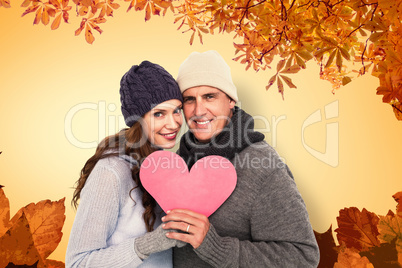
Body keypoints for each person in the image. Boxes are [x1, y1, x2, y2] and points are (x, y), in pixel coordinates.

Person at [161, 51, 320, 267]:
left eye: (210, 96)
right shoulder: (180, 162)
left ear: (230, 101)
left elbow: (302, 257)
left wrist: (214, 246)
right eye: (190, 100)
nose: (198, 110)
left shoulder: (262, 166)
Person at [66, 61, 186, 268]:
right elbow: (78, 262)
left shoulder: (165, 169)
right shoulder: (111, 173)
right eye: (159, 114)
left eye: (177, 110)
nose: (174, 123)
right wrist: (145, 246)